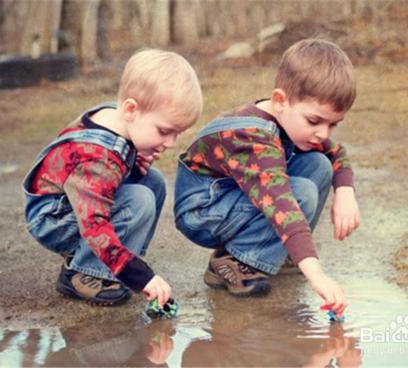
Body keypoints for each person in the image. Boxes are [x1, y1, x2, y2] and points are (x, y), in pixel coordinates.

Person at [174, 38, 359, 319]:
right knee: (301, 193)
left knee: (319, 164)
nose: (324, 133)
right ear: (280, 101)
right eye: (314, 121)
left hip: (231, 198)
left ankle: (278, 253)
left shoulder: (291, 120)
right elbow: (282, 205)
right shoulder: (252, 137)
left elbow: (336, 153)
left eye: (332, 124)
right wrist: (317, 275)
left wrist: (345, 192)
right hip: (202, 210)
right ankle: (236, 263)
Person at [23, 49, 202, 307]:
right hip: (53, 219)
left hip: (73, 205)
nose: (171, 143)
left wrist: (131, 159)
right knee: (139, 199)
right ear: (131, 109)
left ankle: (120, 261)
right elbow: (94, 223)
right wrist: (142, 278)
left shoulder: (113, 116)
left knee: (153, 182)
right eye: (164, 131)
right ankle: (84, 273)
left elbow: (105, 171)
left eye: (178, 133)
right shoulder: (98, 159)